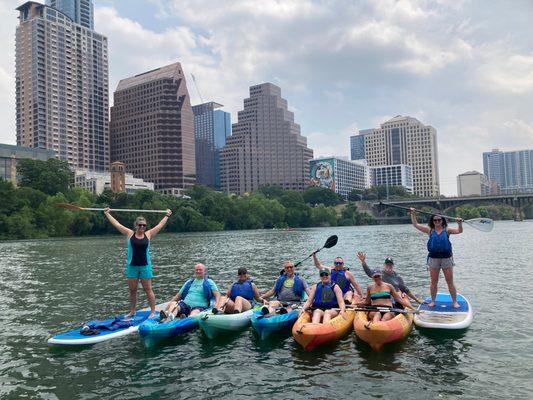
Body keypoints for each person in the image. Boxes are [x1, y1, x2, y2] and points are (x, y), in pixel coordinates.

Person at [104, 207, 172, 318]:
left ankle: (152, 311)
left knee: (148, 289)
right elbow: (117, 224)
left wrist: (167, 215)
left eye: (144, 225)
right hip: (132, 266)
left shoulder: (148, 234)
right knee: (132, 291)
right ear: (136, 225)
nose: (142, 227)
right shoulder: (130, 234)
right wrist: (107, 214)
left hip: (145, 266)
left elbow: (160, 225)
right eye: (140, 225)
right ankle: (132, 311)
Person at [409, 208, 463, 308]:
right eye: (435, 220)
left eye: (439, 220)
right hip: (434, 259)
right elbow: (416, 225)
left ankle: (454, 301)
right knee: (434, 281)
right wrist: (413, 214)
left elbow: (460, 231)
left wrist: (459, 223)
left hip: (446, 258)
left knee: (449, 281)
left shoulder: (447, 230)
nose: (437, 222)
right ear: (432, 221)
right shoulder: (429, 230)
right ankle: (433, 301)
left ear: (442, 220)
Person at [357, 252, 425, 304]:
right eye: (387, 264)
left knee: (400, 294)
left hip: (393, 299)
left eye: (390, 264)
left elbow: (406, 290)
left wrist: (417, 300)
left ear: (393, 266)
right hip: (381, 296)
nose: (388, 266)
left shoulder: (397, 277)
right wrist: (363, 262)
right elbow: (369, 272)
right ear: (384, 265)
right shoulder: (379, 274)